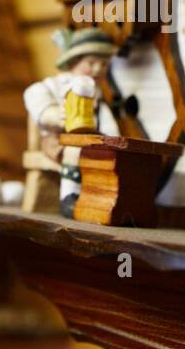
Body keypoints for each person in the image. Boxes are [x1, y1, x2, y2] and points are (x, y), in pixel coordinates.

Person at [22, 27, 117, 218]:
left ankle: (100, 199)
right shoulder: (53, 86)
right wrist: (56, 115)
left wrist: (113, 140)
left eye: (104, 64)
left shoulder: (96, 94)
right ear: (74, 62)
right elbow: (35, 99)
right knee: (75, 149)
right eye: (91, 63)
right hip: (57, 140)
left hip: (90, 141)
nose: (98, 69)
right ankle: (69, 197)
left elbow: (108, 125)